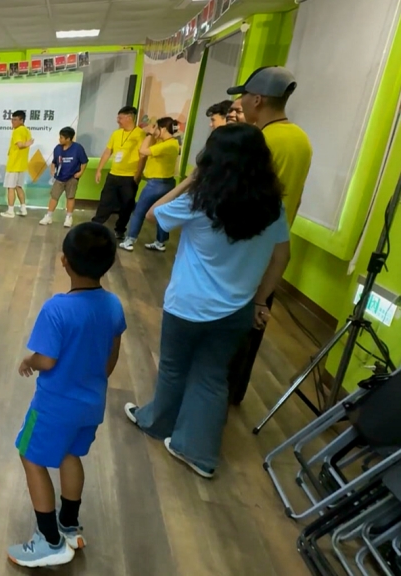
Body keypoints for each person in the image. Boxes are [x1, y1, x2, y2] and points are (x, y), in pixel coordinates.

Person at [123, 123, 291, 479]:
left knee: (173, 368)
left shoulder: (200, 200)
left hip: (188, 305)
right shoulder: (271, 206)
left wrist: (190, 179)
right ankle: (197, 452)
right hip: (237, 309)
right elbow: (281, 256)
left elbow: (153, 214)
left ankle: (156, 422)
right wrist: (260, 302)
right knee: (213, 377)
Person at [8, 222, 125, 568]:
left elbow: (47, 359)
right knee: (71, 455)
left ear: (64, 261)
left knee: (30, 456)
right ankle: (70, 526)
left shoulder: (57, 309)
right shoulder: (113, 305)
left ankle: (49, 540)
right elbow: (111, 357)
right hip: (92, 404)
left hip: (54, 406)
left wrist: (29, 360)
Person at [225, 66, 313, 404]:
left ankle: (214, 396)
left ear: (258, 99)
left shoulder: (259, 142)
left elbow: (237, 197)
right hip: (274, 248)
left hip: (246, 250)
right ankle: (233, 392)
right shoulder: (301, 140)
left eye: (245, 97)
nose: (242, 104)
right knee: (253, 326)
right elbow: (296, 198)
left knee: (229, 329)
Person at [120, 117, 181, 253]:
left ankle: (130, 240)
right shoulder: (172, 143)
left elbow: (142, 151)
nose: (155, 131)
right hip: (168, 183)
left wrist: (149, 134)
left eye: (157, 128)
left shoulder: (166, 145)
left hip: (156, 184)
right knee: (161, 213)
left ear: (163, 129)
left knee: (139, 211)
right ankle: (160, 242)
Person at [93, 106, 146, 239]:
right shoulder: (116, 134)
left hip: (129, 177)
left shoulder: (140, 134)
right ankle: (95, 226)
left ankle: (120, 229)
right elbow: (108, 151)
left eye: (120, 118)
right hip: (113, 174)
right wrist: (99, 169)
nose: (118, 120)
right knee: (105, 201)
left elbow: (142, 156)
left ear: (129, 117)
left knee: (126, 205)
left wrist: (138, 174)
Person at [40, 127, 88, 228]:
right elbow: (54, 161)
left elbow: (84, 161)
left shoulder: (78, 148)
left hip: (72, 177)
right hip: (59, 177)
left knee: (70, 197)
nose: (59, 139)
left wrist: (81, 172)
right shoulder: (57, 148)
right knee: (54, 196)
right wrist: (52, 169)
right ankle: (49, 216)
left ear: (68, 139)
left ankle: (69, 217)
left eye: (62, 137)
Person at [1, 110, 34, 218]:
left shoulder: (17, 131)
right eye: (12, 119)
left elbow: (20, 145)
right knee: (18, 187)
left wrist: (26, 144)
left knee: (10, 187)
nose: (13, 122)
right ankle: (23, 209)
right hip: (22, 165)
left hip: (14, 164)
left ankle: (10, 211)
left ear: (21, 120)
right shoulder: (27, 130)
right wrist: (28, 143)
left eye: (15, 119)